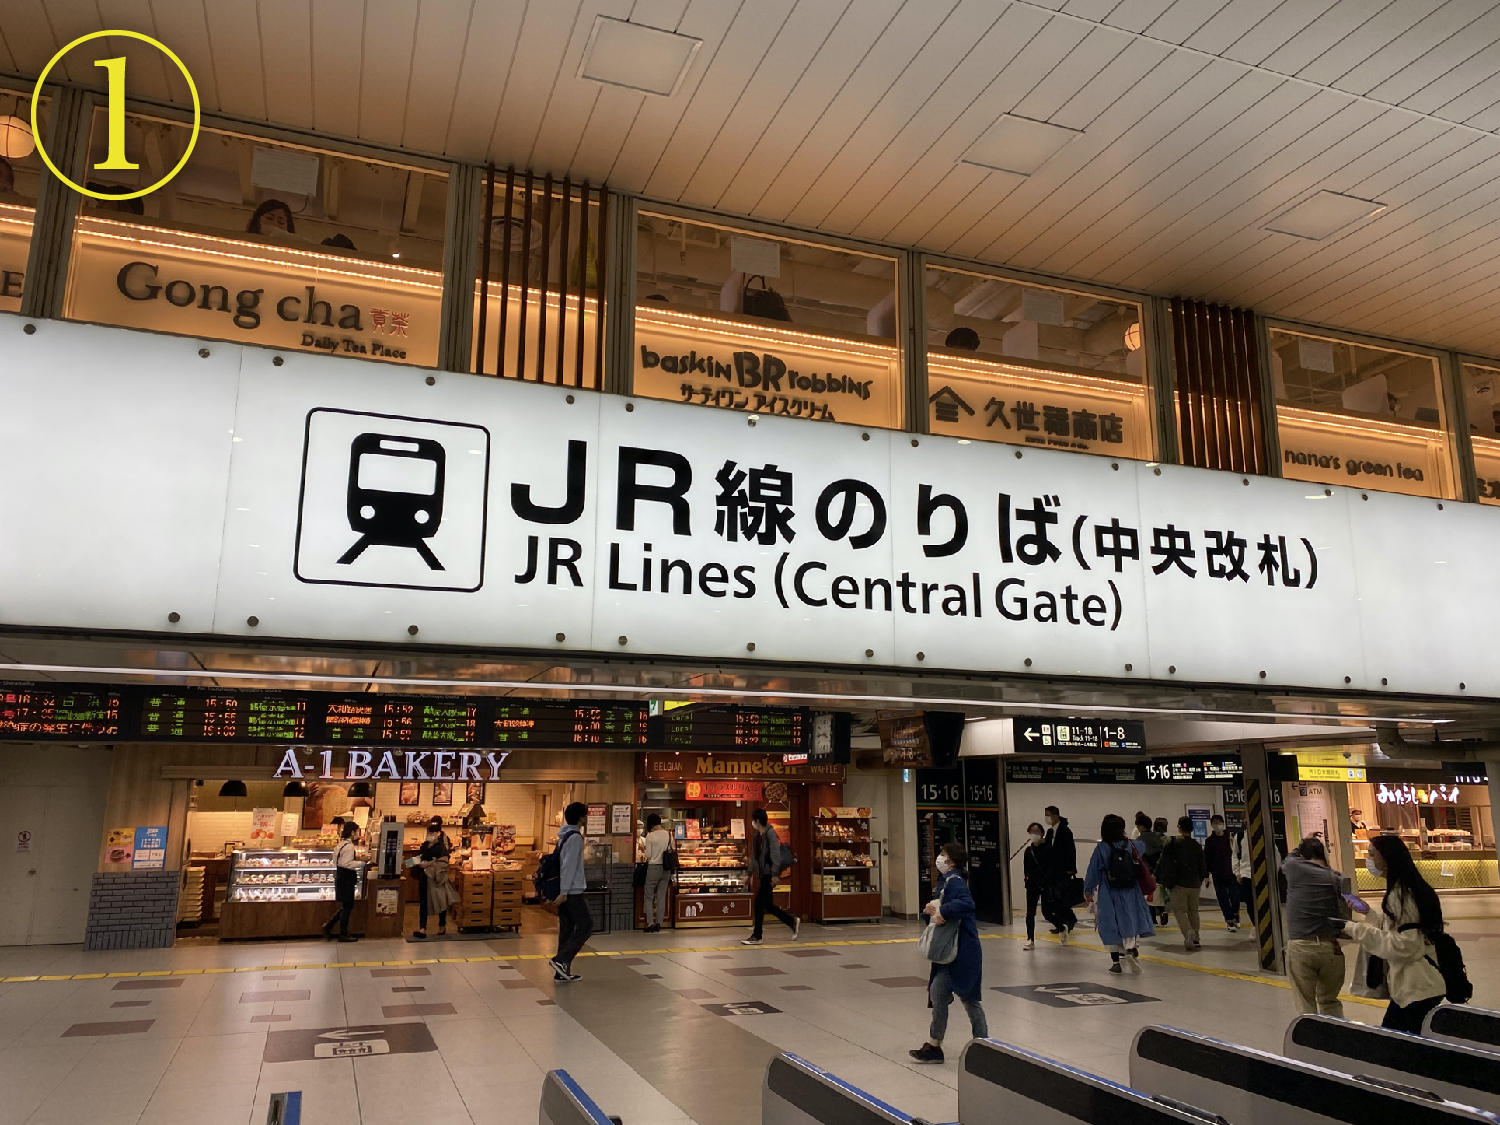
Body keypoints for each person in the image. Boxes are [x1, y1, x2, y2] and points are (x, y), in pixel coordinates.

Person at [1339, 834, 1448, 1033]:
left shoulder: (1400, 895)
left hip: (1416, 987)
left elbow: (1406, 945)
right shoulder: (1409, 888)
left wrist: (1357, 930)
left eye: (1372, 855)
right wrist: (1369, 914)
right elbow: (1401, 926)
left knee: (1397, 1046)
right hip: (1419, 986)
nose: (1369, 860)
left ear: (1387, 858)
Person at [909, 843, 987, 1063]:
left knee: (969, 999)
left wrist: (942, 910)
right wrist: (931, 912)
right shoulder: (947, 881)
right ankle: (935, 1045)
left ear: (952, 861)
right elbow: (941, 911)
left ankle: (983, 1044)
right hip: (951, 951)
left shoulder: (955, 882)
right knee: (938, 993)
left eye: (943, 855)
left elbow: (966, 904)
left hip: (962, 951)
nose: (939, 858)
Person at [1281, 836, 1346, 1018]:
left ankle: (1312, 1041)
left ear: (1303, 856)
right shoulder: (1337, 878)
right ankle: (1336, 1039)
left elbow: (1288, 858)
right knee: (1330, 1001)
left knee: (1305, 1004)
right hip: (1331, 948)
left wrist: (1303, 841)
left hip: (1302, 947)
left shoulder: (1295, 869)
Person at [1083, 814, 1153, 974]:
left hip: (1109, 891)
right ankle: (1130, 948)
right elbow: (1142, 849)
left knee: (1110, 924)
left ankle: (1116, 962)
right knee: (1130, 919)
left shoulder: (1101, 848)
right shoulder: (1131, 845)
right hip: (1130, 889)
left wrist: (1088, 890)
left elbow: (1093, 870)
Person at [550, 801, 593, 982]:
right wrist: (565, 891)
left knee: (567, 929)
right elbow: (569, 866)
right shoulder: (574, 837)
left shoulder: (564, 835)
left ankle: (562, 971)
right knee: (586, 926)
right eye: (585, 814)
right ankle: (561, 960)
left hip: (566, 889)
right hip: (572, 891)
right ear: (581, 817)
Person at [743, 809, 799, 945]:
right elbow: (754, 858)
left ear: (757, 821)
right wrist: (748, 874)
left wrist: (774, 874)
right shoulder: (757, 836)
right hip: (762, 874)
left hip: (768, 874)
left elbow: (775, 854)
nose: (752, 823)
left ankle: (757, 936)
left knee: (758, 903)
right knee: (767, 905)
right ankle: (791, 921)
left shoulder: (770, 833)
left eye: (753, 821)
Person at [1157, 816, 1208, 951]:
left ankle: (1187, 932)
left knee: (1178, 909)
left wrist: (1155, 875)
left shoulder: (1172, 842)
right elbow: (1202, 866)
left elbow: (1162, 861)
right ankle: (1196, 937)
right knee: (1193, 911)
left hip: (1178, 883)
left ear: (1179, 827)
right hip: (1195, 884)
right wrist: (1201, 879)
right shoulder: (1196, 845)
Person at [411, 816, 453, 939]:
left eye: (432, 833)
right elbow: (419, 857)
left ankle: (442, 926)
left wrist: (428, 864)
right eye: (428, 832)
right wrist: (407, 863)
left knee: (440, 902)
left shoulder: (441, 847)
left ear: (437, 833)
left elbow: (444, 862)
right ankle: (422, 928)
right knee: (423, 902)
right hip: (424, 877)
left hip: (436, 878)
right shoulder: (425, 845)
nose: (429, 835)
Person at [322, 820, 362, 942]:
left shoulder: (341, 844)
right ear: (352, 832)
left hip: (340, 876)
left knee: (346, 905)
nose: (357, 834)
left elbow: (337, 861)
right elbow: (347, 863)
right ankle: (343, 933)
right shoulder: (349, 846)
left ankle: (328, 926)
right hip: (346, 878)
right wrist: (362, 863)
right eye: (356, 832)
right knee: (348, 906)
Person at [1042, 806, 1077, 943]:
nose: (1047, 818)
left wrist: (1071, 868)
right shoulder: (1050, 832)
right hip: (1052, 870)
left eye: (1048, 815)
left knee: (1061, 897)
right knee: (1055, 898)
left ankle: (1069, 919)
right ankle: (1061, 922)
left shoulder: (1065, 831)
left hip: (1062, 870)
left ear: (1055, 816)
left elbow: (1070, 850)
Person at [1205, 814, 1241, 932]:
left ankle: (1235, 914)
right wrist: (1206, 875)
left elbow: (1237, 854)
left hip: (1231, 872)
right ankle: (1229, 920)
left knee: (1235, 896)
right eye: (1215, 823)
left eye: (1219, 822)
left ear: (1223, 823)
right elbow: (1207, 858)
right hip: (1217, 874)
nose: (1217, 825)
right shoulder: (1209, 841)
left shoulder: (1230, 837)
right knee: (1223, 898)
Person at [1021, 822, 1051, 949]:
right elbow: (1026, 868)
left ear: (1042, 833)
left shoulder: (1048, 849)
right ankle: (1030, 938)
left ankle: (1061, 927)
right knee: (1030, 913)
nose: (1034, 834)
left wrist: (1046, 881)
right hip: (1032, 886)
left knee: (1047, 911)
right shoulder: (1028, 851)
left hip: (1045, 885)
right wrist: (1028, 881)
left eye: (1037, 832)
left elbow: (1051, 867)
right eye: (1031, 832)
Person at [641, 812, 673, 933]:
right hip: (666, 868)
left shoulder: (650, 836)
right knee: (661, 895)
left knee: (649, 895)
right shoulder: (669, 835)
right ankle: (659, 923)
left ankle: (650, 923)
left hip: (654, 867)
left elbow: (648, 855)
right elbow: (673, 850)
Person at [1135, 812, 1168, 925]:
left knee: (1148, 894)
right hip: (1159, 869)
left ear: (1141, 826)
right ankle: (1163, 910)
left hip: (1147, 870)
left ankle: (1152, 918)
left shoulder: (1140, 840)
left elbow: (1139, 857)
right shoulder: (1158, 838)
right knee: (1158, 893)